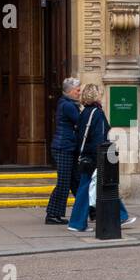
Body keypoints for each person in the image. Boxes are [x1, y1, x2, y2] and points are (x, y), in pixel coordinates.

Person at [68, 84, 136, 232]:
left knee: (96, 187)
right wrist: (103, 156)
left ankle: (120, 216)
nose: (102, 95)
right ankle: (77, 223)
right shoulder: (97, 113)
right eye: (100, 93)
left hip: (87, 155)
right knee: (101, 187)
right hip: (95, 156)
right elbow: (99, 137)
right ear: (95, 95)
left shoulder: (85, 112)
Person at [45, 77, 81, 225]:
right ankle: (52, 214)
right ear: (71, 91)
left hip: (67, 147)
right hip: (63, 148)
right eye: (78, 90)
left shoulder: (67, 103)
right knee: (64, 183)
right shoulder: (68, 105)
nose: (79, 93)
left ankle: (90, 210)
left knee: (76, 182)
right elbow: (80, 122)